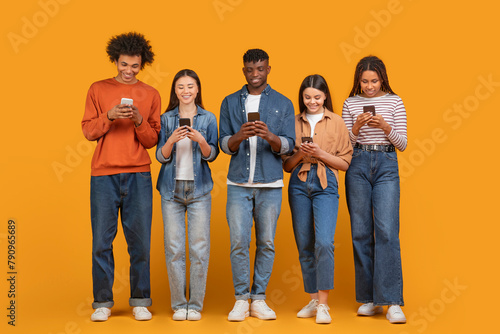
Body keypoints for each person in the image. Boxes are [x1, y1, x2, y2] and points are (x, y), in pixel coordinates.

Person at [82, 32, 160, 322]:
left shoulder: (151, 94)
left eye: (135, 66)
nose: (128, 71)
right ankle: (102, 300)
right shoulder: (97, 89)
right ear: (115, 60)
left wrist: (139, 120)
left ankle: (140, 299)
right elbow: (89, 132)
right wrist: (110, 116)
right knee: (101, 242)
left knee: (139, 242)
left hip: (139, 174)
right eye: (124, 65)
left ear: (143, 64)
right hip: (104, 175)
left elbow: (152, 140)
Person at [219, 48, 295, 321]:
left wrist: (270, 136)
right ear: (243, 70)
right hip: (238, 183)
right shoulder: (229, 102)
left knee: (266, 242)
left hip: (270, 184)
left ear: (268, 69)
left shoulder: (283, 103)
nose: (255, 74)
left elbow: (289, 144)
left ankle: (259, 298)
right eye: (250, 70)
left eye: (260, 69)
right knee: (239, 242)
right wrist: (240, 135)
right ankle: (241, 299)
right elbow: (223, 146)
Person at [341, 55, 407, 324]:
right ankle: (369, 298)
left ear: (383, 79)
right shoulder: (349, 103)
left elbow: (402, 143)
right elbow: (344, 145)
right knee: (360, 232)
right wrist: (355, 129)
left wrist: (386, 127)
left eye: (374, 81)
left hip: (386, 163)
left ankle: (391, 300)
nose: (369, 86)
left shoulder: (395, 101)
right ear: (358, 80)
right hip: (357, 164)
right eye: (365, 81)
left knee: (387, 231)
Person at [283, 75, 352, 324]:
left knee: (324, 242)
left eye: (317, 97)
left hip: (326, 182)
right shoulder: (292, 122)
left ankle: (324, 305)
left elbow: (344, 163)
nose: (312, 101)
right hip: (299, 183)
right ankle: (313, 299)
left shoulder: (337, 122)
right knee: (305, 243)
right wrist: (301, 154)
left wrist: (320, 153)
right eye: (307, 97)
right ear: (302, 97)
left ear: (325, 97)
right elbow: (287, 166)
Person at [156, 69, 219, 321]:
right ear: (175, 90)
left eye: (190, 86)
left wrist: (201, 141)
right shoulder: (166, 118)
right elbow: (160, 156)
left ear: (198, 89)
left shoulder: (208, 118)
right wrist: (170, 140)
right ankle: (178, 304)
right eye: (181, 86)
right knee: (173, 250)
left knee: (199, 249)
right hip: (171, 190)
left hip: (199, 190)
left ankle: (194, 305)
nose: (186, 91)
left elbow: (212, 154)